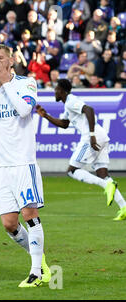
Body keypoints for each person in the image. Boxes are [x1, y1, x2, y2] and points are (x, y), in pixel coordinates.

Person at [0, 44, 51, 287]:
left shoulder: (26, 83)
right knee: (9, 224)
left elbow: (24, 109)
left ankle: (36, 272)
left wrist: (6, 83)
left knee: (30, 215)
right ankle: (41, 262)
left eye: (0, 58)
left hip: (22, 162)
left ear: (11, 60)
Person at [35, 79, 126, 221]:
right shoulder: (68, 106)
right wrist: (46, 115)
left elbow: (89, 109)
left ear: (62, 91)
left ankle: (107, 185)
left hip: (92, 137)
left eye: (56, 89)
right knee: (102, 173)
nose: (55, 92)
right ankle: (124, 207)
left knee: (72, 171)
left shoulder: (71, 100)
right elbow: (64, 124)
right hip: (101, 136)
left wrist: (91, 135)